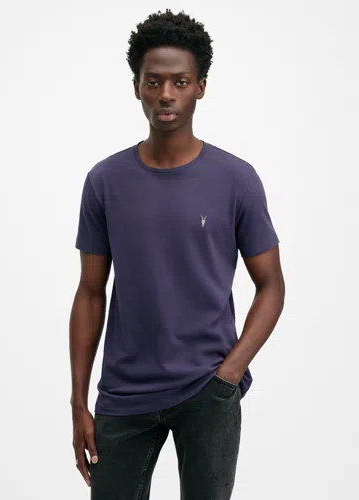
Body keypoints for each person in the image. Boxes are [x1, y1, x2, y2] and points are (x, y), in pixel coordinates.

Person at [69, 8, 285, 500]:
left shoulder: (236, 179)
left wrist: (230, 372)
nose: (166, 94)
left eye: (180, 82)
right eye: (154, 82)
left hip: (208, 390)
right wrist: (79, 402)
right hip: (124, 394)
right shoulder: (105, 181)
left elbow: (271, 284)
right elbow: (90, 292)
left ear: (200, 87)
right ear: (137, 88)